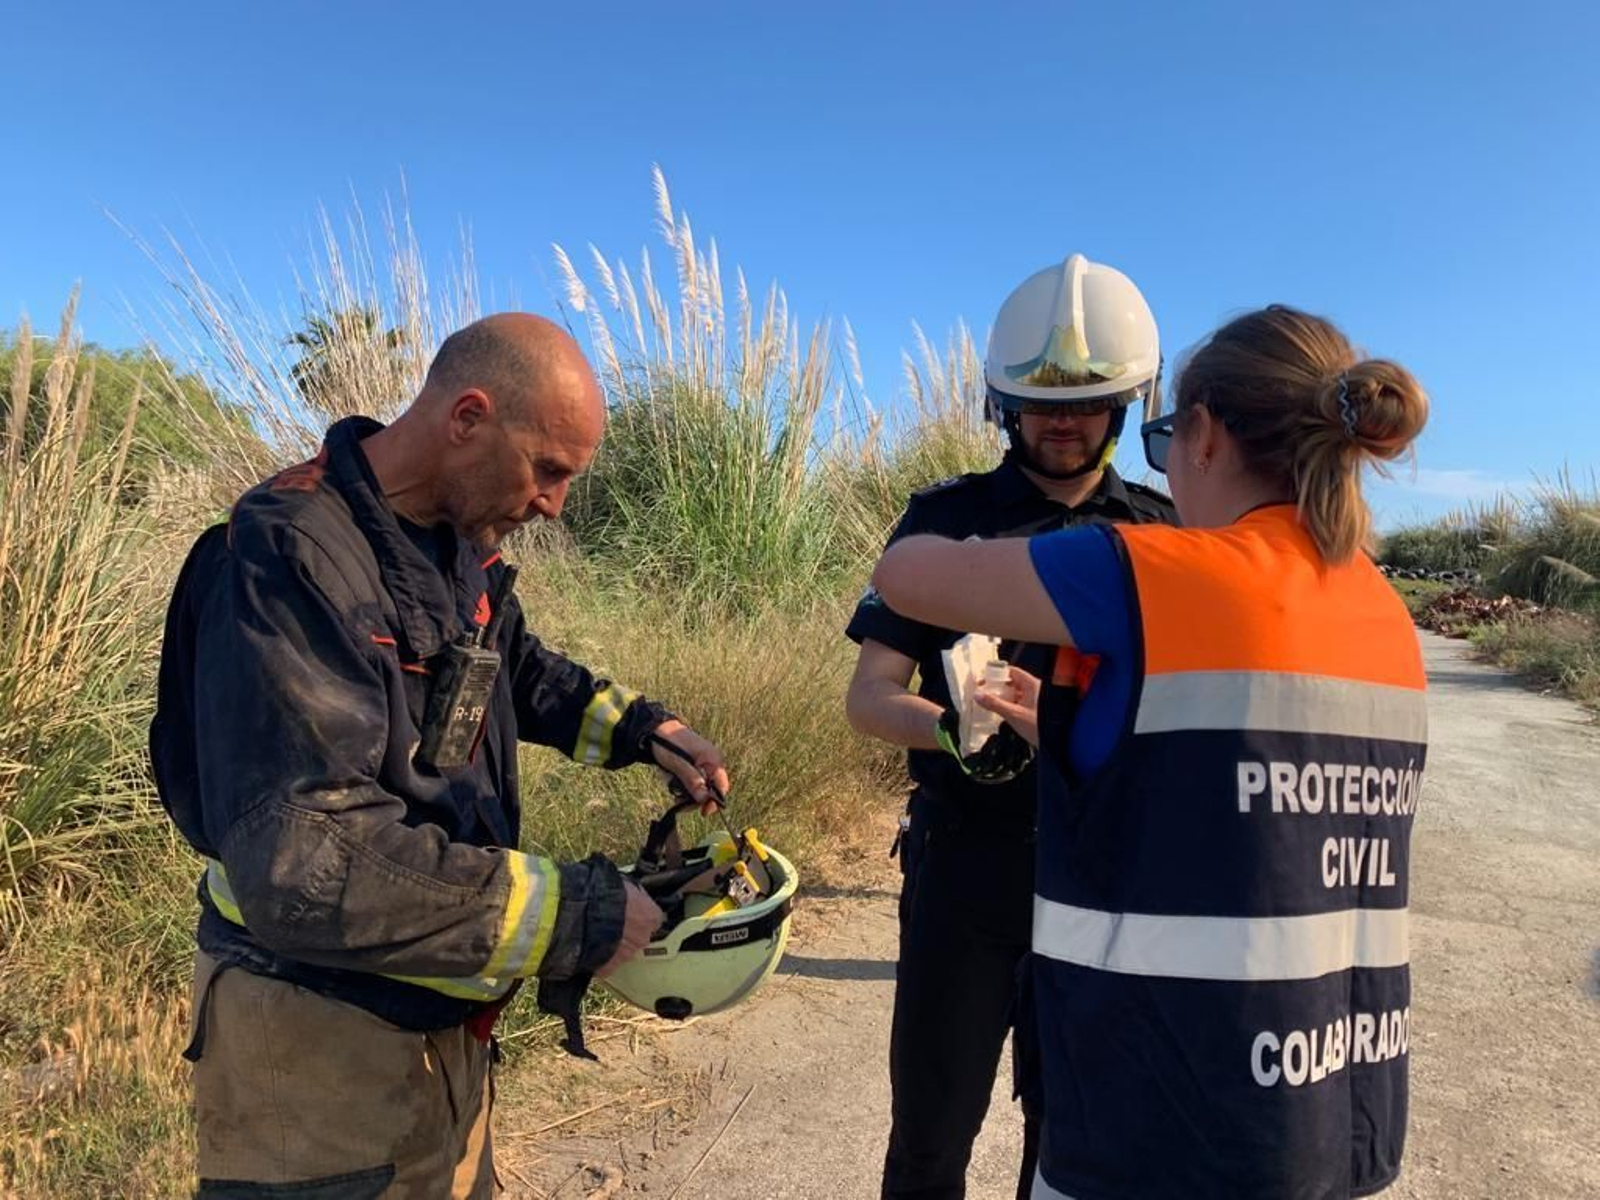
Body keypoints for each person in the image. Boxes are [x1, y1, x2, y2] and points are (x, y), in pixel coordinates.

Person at [151, 313, 730, 1198]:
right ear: (467, 417)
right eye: (548, 470)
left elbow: (517, 672)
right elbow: (307, 861)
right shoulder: (286, 556)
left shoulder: (455, 548)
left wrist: (647, 729)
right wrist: (578, 914)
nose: (554, 504)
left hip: (442, 1030)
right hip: (314, 1048)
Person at [871, 305, 1430, 1199]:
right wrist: (1048, 722)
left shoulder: (1150, 560)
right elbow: (1223, 793)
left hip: (1157, 1099)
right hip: (1316, 1104)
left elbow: (902, 575)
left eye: (1167, 435)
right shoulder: (1385, 616)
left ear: (1202, 434)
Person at [846, 254, 1176, 1200]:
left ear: (1121, 407)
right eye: (1040, 405)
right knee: (929, 1134)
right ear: (1004, 408)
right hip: (965, 869)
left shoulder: (1162, 537)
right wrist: (955, 729)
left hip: (1102, 871)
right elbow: (868, 694)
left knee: (1071, 1136)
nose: (1062, 421)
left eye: (1086, 403)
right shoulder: (943, 522)